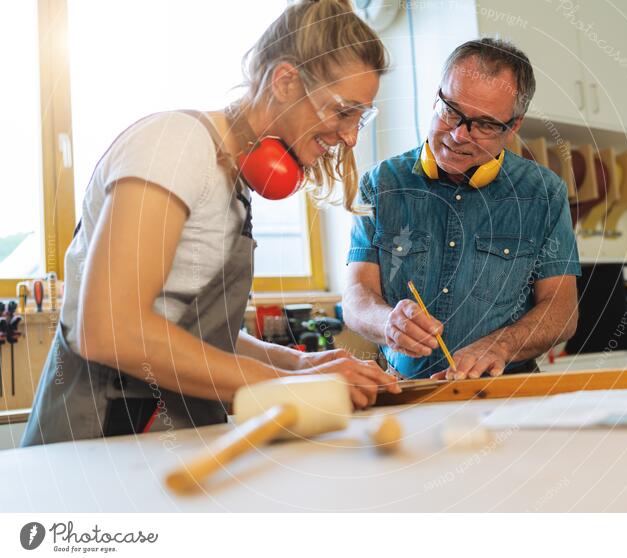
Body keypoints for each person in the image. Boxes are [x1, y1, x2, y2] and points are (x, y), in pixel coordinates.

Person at [22, 0, 399, 447]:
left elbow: (194, 333)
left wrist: (298, 365)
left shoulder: (232, 181)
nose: (351, 137)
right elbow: (109, 329)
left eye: (361, 117)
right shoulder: (174, 146)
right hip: (100, 438)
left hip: (167, 443)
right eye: (342, 112)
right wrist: (281, 386)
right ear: (284, 81)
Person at [343, 38, 580, 380]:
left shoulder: (544, 194)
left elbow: (562, 310)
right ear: (436, 96)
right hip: (406, 392)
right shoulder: (380, 185)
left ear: (513, 126)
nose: (457, 135)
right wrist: (387, 322)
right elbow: (355, 296)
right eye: (451, 110)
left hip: (506, 393)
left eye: (484, 124)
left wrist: (501, 345)